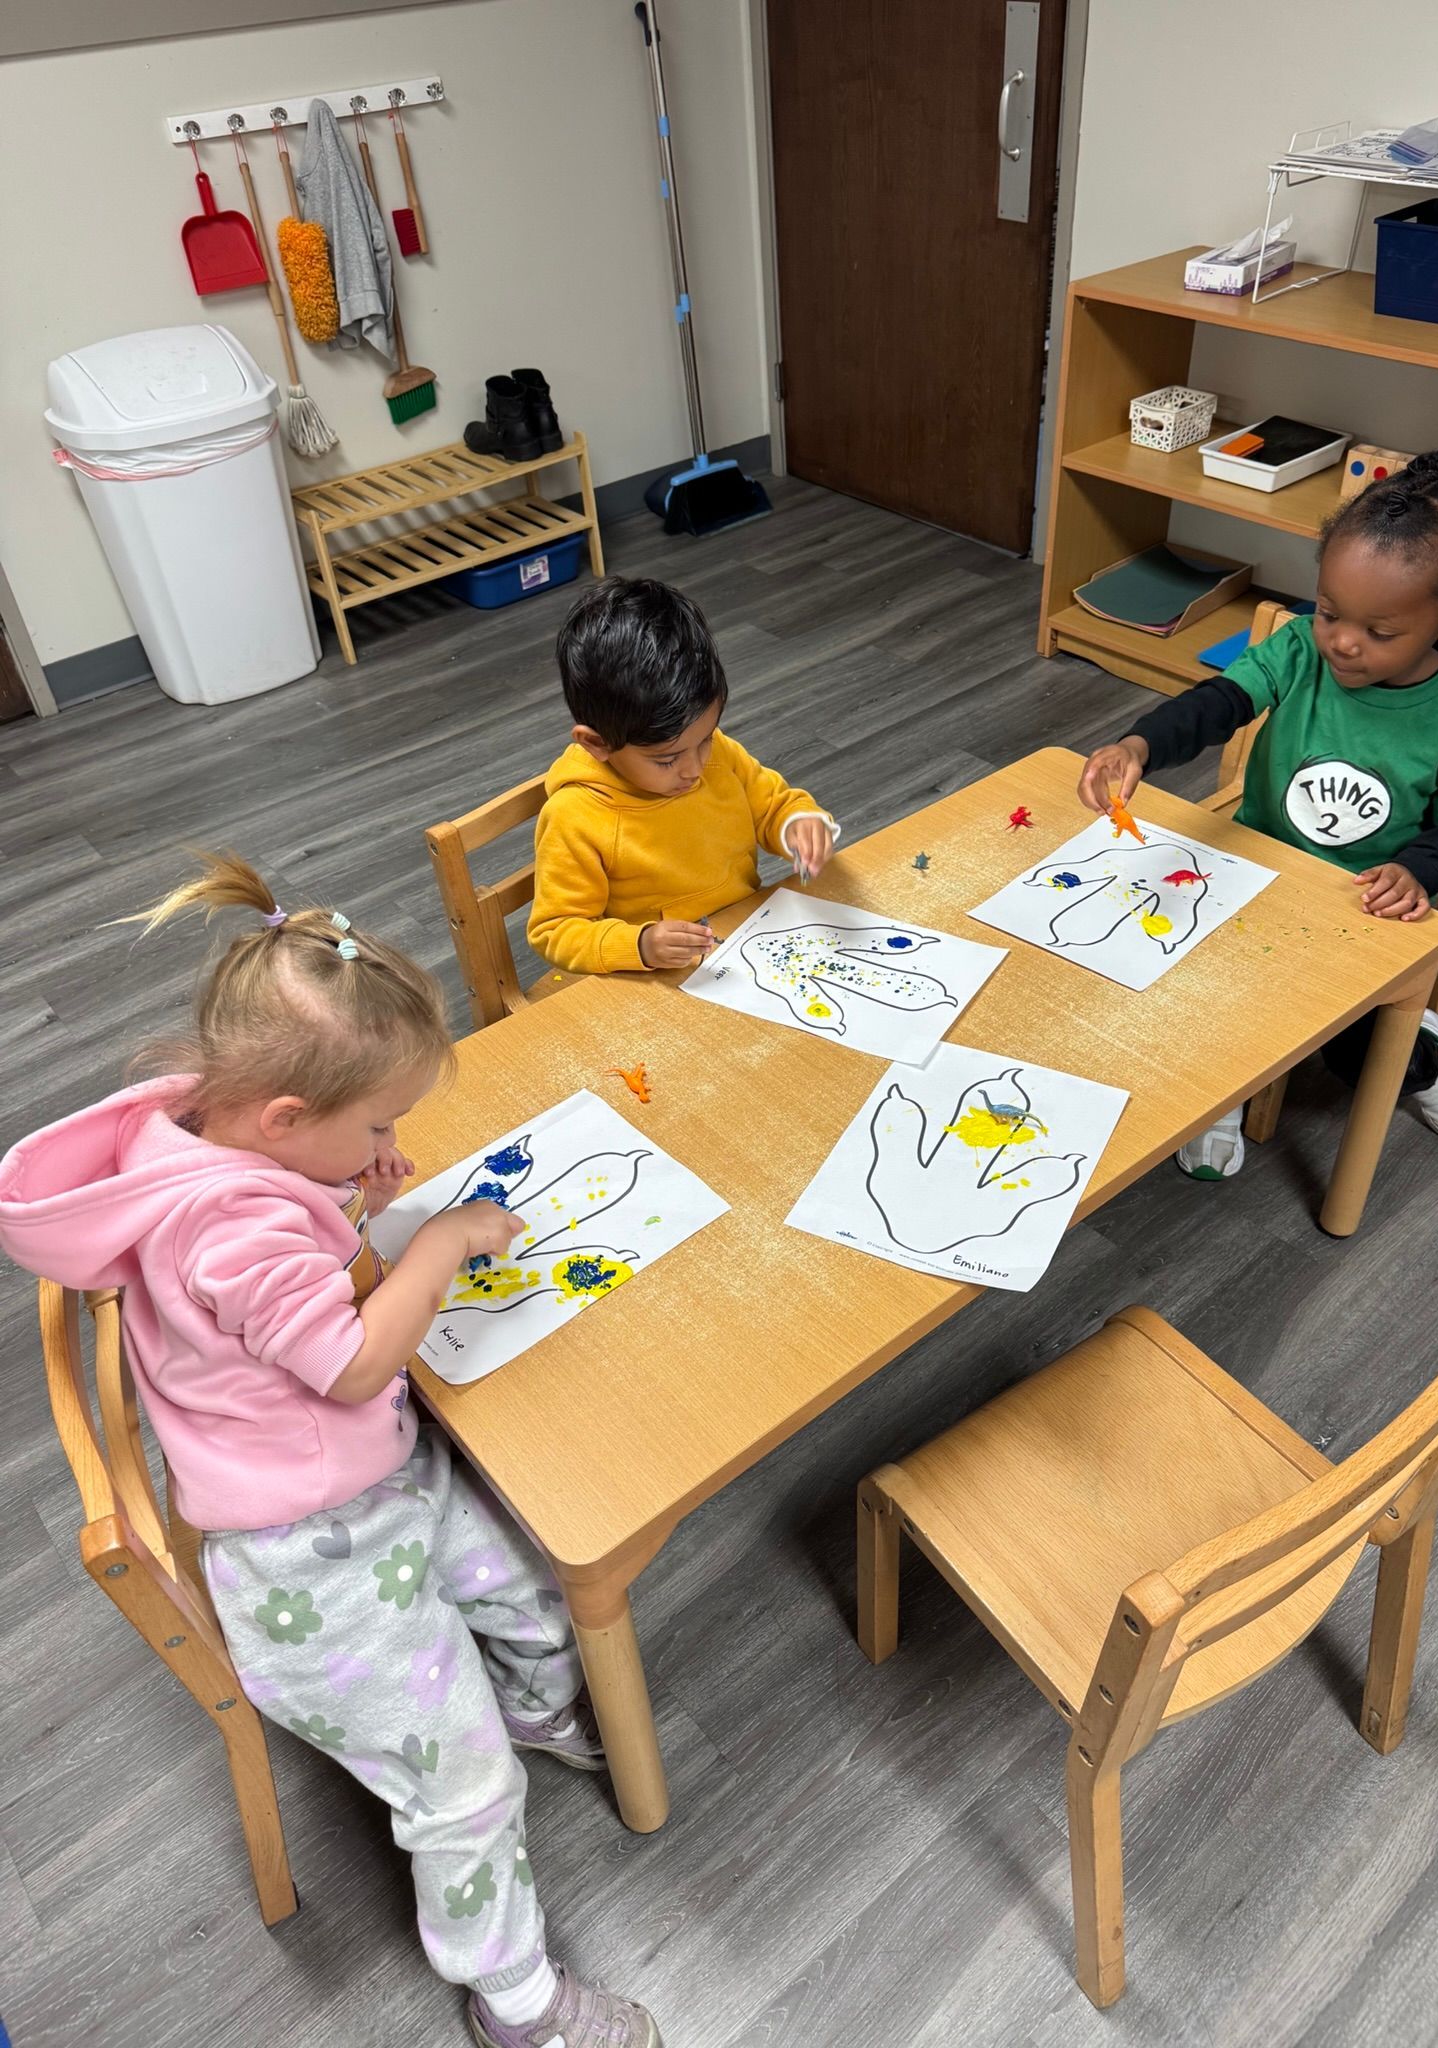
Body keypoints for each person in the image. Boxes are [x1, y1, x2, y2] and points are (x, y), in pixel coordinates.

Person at [0, 854, 660, 2048]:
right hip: (306, 1557)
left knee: (540, 1587)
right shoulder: (232, 1222)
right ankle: (518, 2000)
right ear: (285, 1118)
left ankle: (532, 1704)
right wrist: (438, 1242)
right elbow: (349, 1361)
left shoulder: (214, 1134)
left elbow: (284, 1281)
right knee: (467, 1793)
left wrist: (350, 1191)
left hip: (368, 1476)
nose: (391, 1140)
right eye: (379, 1123)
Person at [1077, 445, 1438, 1180]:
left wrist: (1415, 871)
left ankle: (1426, 1059)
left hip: (1364, 900)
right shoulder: (1298, 650)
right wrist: (1139, 745)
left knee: (1350, 1047)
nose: (1342, 642)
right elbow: (1220, 703)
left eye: (1379, 633)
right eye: (1330, 612)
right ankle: (1215, 1091)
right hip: (1255, 866)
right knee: (1181, 972)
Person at [529, 576, 839, 973]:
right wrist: (639, 945)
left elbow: (774, 806)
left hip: (744, 940)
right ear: (597, 744)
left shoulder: (718, 755)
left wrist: (800, 825)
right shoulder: (574, 817)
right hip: (657, 974)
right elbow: (556, 930)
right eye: (666, 760)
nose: (694, 769)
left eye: (705, 739)